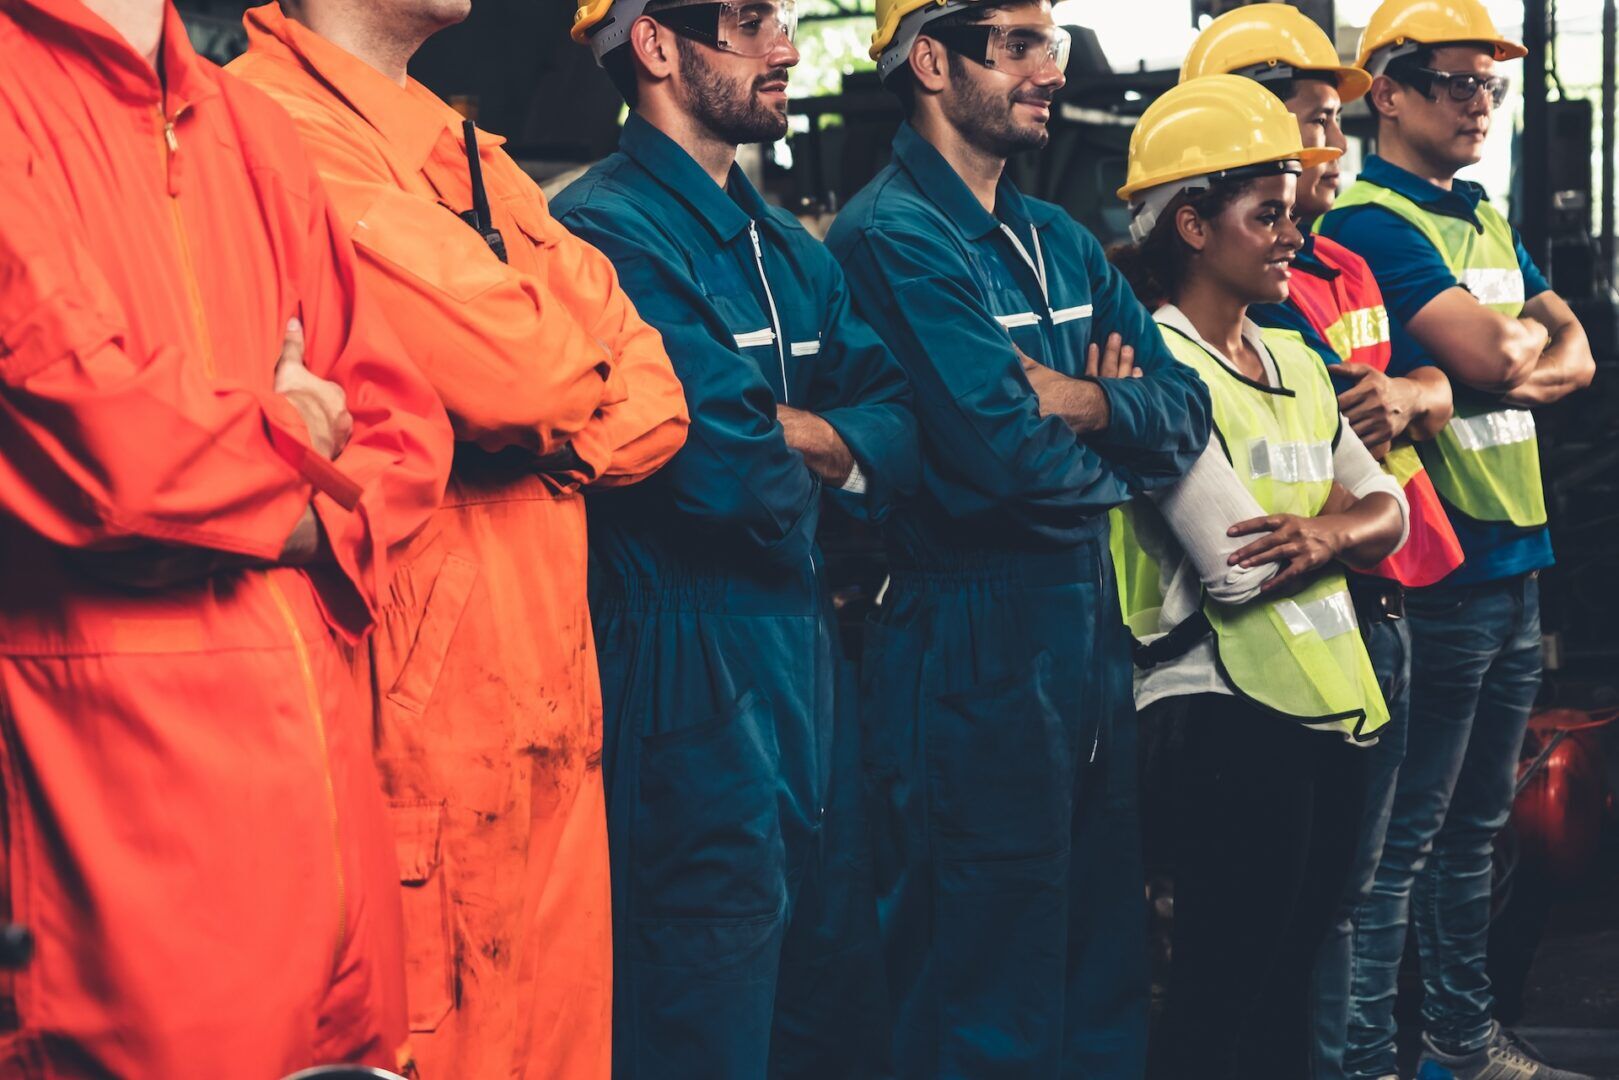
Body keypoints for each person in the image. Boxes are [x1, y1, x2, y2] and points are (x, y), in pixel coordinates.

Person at [229, 3, 691, 1075]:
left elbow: (657, 396)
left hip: (552, 710)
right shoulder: (274, 124)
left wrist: (537, 437)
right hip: (415, 723)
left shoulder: (458, 146)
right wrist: (557, 396)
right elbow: (522, 369)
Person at [0, 0, 455, 1074]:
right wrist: (297, 426)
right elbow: (109, 450)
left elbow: (405, 427)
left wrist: (259, 500)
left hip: (334, 824)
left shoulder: (251, 129)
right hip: (127, 840)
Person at [825, 0, 1211, 1072]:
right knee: (975, 985)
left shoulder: (1057, 241)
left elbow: (1184, 417)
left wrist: (1086, 406)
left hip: (1076, 640)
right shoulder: (891, 237)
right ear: (932, 61)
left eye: (1051, 42)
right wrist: (1103, 441)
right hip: (966, 642)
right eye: (1020, 46)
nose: (1051, 67)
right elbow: (999, 460)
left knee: (1096, 969)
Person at [555, 0, 918, 1073]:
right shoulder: (605, 232)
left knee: (831, 1006)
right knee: (701, 1014)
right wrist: (831, 449)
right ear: (656, 45)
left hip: (804, 663)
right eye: (751, 19)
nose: (790, 47)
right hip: (685, 675)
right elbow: (728, 473)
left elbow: (903, 434)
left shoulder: (782, 249)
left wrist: (821, 443)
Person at [1316, 0, 1597, 1076]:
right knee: (1402, 847)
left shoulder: (1477, 214)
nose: (1477, 102)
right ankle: (1369, 1062)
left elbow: (1559, 355)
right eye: (1453, 81)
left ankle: (1458, 1046)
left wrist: (1533, 344)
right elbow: (1500, 356)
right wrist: (1528, 346)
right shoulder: (1372, 226)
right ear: (1383, 92)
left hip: (1513, 563)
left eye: (1489, 84)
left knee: (1475, 835)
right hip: (1439, 570)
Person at [1177, 8, 1460, 1077]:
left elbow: (1377, 473)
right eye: (1302, 126)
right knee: (1242, 959)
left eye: (1327, 128)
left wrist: (1409, 411)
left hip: (1341, 649)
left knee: (1330, 912)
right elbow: (1237, 550)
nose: (1321, 153)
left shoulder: (1310, 287)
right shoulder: (1184, 338)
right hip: (1231, 690)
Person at [1110, 75, 1408, 1080]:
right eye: (1266, 213)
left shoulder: (1290, 353)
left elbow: (1390, 513)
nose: (1292, 233)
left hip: (1322, 712)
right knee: (1218, 1001)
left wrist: (1322, 537)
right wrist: (1344, 531)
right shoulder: (1154, 360)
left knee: (1283, 991)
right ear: (1190, 224)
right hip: (1220, 720)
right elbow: (1237, 569)